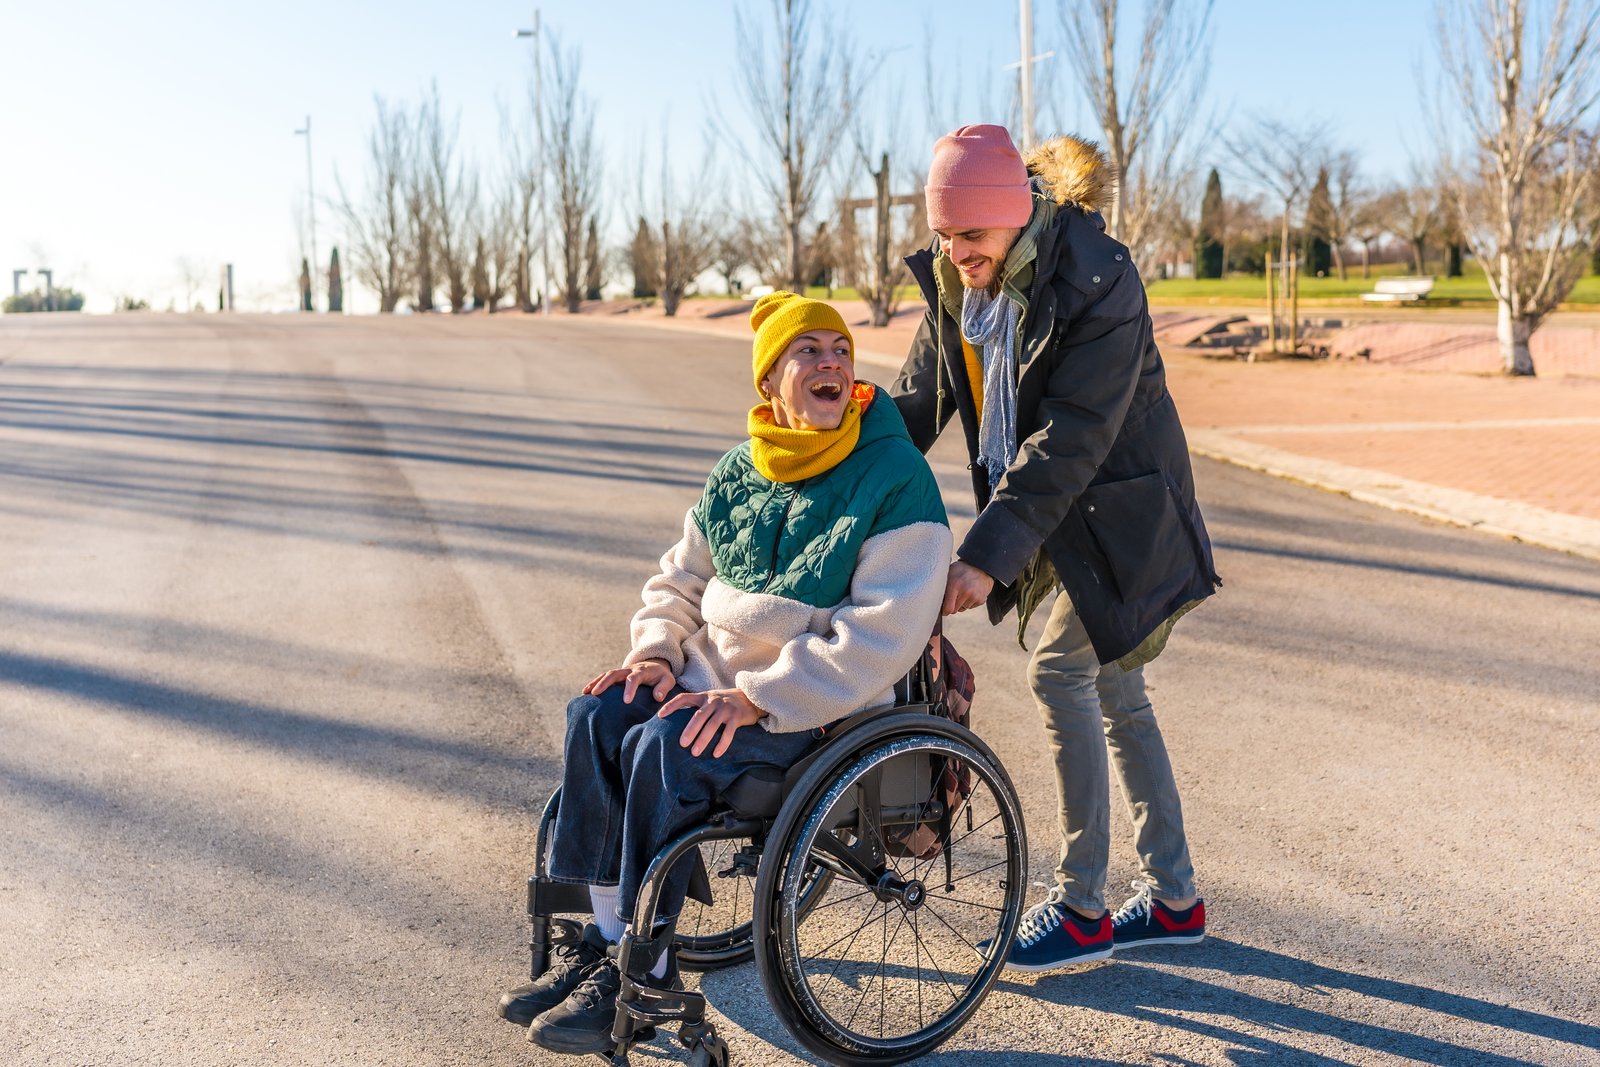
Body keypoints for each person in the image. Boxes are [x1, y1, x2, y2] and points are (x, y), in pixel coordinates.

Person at [499, 291, 952, 1053]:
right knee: (599, 716)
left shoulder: (895, 476)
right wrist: (653, 653)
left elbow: (882, 635)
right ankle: (598, 940)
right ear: (770, 380)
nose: (831, 362)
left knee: (662, 748)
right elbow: (678, 580)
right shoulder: (740, 470)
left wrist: (757, 698)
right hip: (718, 688)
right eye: (807, 351)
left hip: (813, 711)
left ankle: (646, 970)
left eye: (838, 349)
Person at [889, 125, 1221, 973]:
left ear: (1012, 214)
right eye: (945, 233)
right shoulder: (960, 286)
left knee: (1061, 674)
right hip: (1058, 511)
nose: (958, 251)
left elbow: (1070, 437)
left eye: (973, 234)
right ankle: (1176, 900)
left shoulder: (1097, 278)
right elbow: (920, 402)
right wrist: (833, 464)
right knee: (1119, 692)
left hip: (1120, 512)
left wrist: (988, 554)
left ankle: (1082, 908)